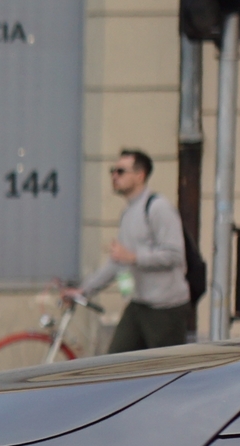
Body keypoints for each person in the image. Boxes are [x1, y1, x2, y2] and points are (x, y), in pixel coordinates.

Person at [75, 148, 189, 352]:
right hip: (139, 304)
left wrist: (134, 257)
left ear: (140, 175)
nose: (114, 176)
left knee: (165, 373)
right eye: (113, 171)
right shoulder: (128, 212)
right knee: (116, 365)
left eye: (120, 171)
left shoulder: (158, 208)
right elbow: (117, 262)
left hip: (165, 309)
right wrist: (84, 290)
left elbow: (174, 254)